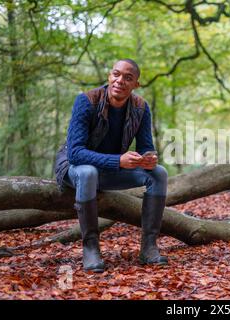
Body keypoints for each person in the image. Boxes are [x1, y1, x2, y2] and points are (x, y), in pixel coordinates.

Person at [54, 59, 168, 273]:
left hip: (109, 170)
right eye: (116, 74)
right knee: (88, 172)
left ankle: (149, 247)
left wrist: (148, 158)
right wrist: (118, 161)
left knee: (159, 174)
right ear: (109, 76)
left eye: (128, 78)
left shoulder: (141, 107)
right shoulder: (86, 101)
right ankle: (90, 248)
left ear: (136, 84)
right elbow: (75, 153)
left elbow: (146, 147)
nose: (120, 81)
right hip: (74, 167)